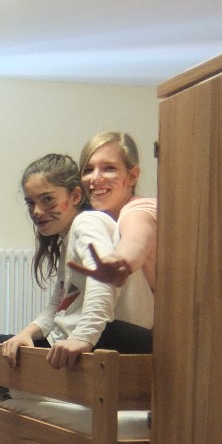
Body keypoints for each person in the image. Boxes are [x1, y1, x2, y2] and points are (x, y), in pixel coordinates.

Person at [0, 153, 151, 370]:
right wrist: (27, 333)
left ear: (76, 196)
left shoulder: (87, 223)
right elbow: (59, 304)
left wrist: (83, 337)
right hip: (90, 333)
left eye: (47, 199)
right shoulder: (69, 238)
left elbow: (102, 283)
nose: (37, 211)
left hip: (114, 336)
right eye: (30, 203)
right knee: (2, 344)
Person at [70, 131, 156, 330]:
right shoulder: (99, 220)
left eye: (109, 168)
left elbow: (136, 240)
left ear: (132, 176)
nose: (95, 178)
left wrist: (119, 262)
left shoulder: (139, 210)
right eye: (88, 170)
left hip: (164, 336)